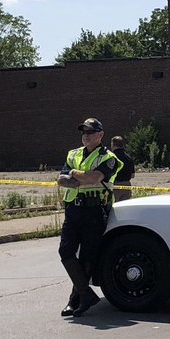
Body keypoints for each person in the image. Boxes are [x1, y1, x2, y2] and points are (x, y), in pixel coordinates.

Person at [56, 118, 122, 318]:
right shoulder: (73, 153)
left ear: (100, 135)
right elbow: (60, 179)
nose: (85, 135)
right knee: (65, 251)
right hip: (73, 209)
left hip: (94, 211)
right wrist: (78, 178)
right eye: (83, 132)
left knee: (86, 257)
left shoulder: (109, 157)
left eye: (90, 132)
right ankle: (86, 294)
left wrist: (75, 175)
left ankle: (74, 300)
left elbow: (94, 178)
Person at [110, 135, 135, 202]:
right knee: (125, 207)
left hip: (115, 186)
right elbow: (133, 175)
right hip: (127, 186)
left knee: (114, 207)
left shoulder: (111, 157)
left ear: (113, 144)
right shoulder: (128, 157)